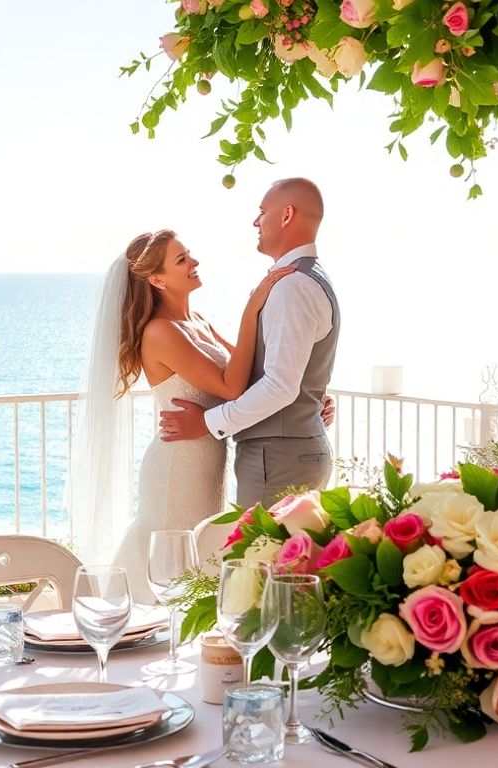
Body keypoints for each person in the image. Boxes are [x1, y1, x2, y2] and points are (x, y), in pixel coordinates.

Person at [65, 229, 292, 600]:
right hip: (177, 468)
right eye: (181, 259)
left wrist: (309, 400)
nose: (194, 262)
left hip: (206, 460)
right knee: (173, 569)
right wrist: (253, 309)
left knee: (200, 559)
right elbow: (231, 386)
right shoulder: (159, 331)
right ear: (156, 279)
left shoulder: (197, 321)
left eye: (190, 254)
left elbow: (250, 374)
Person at [160, 178, 340, 510]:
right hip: (288, 453)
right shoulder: (309, 276)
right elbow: (290, 367)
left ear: (286, 215)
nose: (256, 222)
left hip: (278, 459)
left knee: (259, 562)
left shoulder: (292, 286)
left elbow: (281, 386)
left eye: (262, 212)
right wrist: (312, 398)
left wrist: (207, 422)